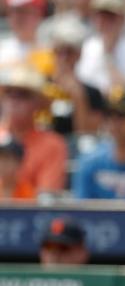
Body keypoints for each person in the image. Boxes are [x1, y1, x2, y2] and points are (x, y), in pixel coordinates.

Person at [0, 66, 67, 196]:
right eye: (9, 93)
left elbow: (46, 200)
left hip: (31, 215)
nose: (14, 101)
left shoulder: (52, 144)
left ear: (38, 103)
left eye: (23, 95)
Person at [47, 14, 104, 136]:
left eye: (69, 52)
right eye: (59, 51)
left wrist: (78, 97)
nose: (63, 58)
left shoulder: (93, 93)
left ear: (79, 54)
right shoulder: (40, 86)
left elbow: (87, 135)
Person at [0, 0, 54, 76]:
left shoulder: (53, 51)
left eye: (25, 11)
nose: (18, 17)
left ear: (39, 14)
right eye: (14, 11)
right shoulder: (2, 48)